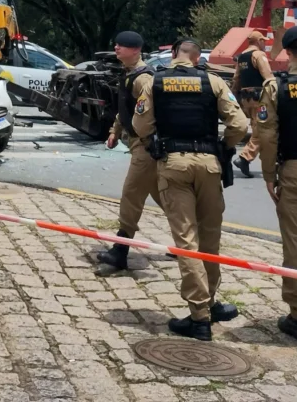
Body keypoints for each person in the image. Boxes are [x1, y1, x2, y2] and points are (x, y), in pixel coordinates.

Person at [132, 41, 247, 340]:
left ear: (174, 56)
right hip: (209, 164)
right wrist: (223, 147)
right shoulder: (213, 81)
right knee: (210, 237)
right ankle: (210, 301)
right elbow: (239, 124)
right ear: (198, 58)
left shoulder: (156, 81)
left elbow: (141, 125)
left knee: (186, 240)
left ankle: (199, 318)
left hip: (173, 164)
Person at [256, 25, 297, 343]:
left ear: (286, 52)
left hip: (295, 171)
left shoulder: (277, 87)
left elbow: (267, 136)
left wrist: (269, 176)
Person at [97, 31, 160, 270]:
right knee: (165, 199)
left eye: (122, 45)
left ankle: (120, 251)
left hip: (146, 147)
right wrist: (115, 131)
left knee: (131, 195)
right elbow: (126, 108)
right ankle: (188, 244)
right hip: (139, 145)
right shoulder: (130, 74)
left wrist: (144, 140)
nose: (116, 48)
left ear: (135, 50)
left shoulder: (144, 79)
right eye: (116, 44)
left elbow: (147, 114)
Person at [231, 29, 272, 179]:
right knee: (263, 130)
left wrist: (234, 95)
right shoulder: (258, 55)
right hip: (259, 98)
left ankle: (250, 159)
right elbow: (268, 77)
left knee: (257, 129)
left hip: (246, 99)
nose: (264, 44)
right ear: (258, 41)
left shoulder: (241, 57)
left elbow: (236, 78)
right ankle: (245, 158)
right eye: (263, 41)